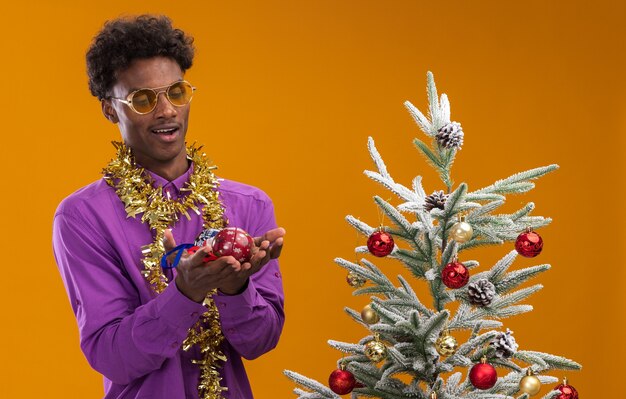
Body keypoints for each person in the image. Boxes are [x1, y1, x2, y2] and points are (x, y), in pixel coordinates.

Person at [52, 15, 285, 399]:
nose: (166, 111)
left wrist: (236, 286)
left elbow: (260, 343)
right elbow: (113, 357)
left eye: (176, 92)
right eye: (142, 99)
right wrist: (186, 293)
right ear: (110, 110)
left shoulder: (249, 205)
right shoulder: (82, 217)